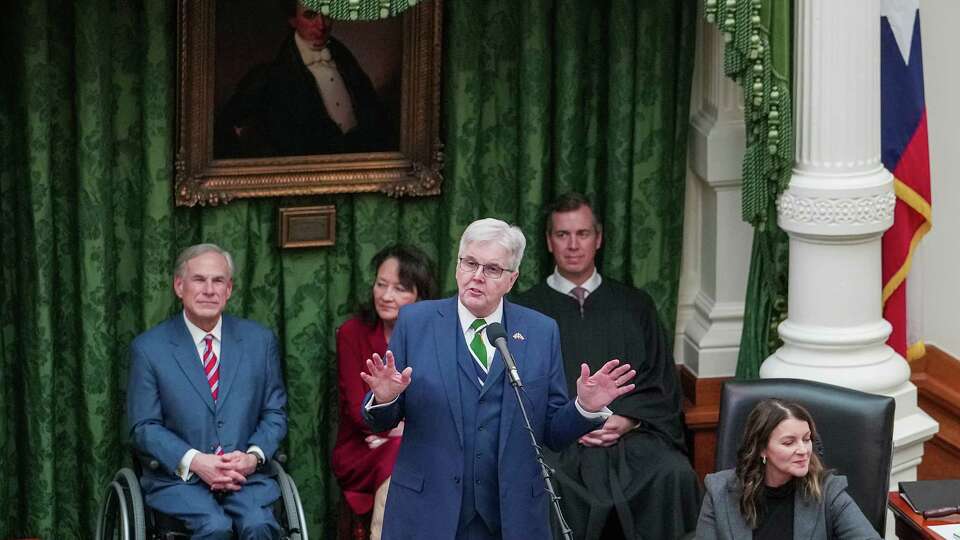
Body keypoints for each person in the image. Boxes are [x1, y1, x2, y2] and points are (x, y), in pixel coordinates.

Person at [360, 218, 638, 540]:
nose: (477, 277)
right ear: (457, 267)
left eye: (492, 269)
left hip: (512, 516)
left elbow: (551, 432)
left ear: (511, 279)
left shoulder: (539, 331)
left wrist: (584, 408)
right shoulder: (416, 322)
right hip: (428, 511)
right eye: (470, 263)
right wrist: (385, 398)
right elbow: (381, 422)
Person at [514, 193, 700, 540]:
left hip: (631, 439)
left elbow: (661, 384)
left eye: (582, 234)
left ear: (598, 239)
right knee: (536, 481)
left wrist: (627, 418)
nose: (573, 245)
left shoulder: (635, 306)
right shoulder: (525, 312)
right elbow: (520, 389)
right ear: (548, 242)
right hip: (561, 445)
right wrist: (573, 421)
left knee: (672, 473)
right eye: (562, 235)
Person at [127, 244, 288, 540]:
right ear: (179, 286)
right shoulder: (149, 349)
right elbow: (144, 427)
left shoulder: (259, 342)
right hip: (179, 480)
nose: (209, 290)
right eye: (199, 280)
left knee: (258, 525)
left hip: (245, 478)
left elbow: (274, 414)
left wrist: (252, 457)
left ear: (229, 289)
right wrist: (196, 461)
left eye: (218, 281)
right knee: (214, 527)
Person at [332, 244, 438, 540]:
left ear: (420, 295)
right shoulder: (353, 332)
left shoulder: (434, 336)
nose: (386, 296)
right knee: (398, 453)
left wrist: (403, 432)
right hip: (362, 449)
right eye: (381, 284)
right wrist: (399, 432)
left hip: (415, 443)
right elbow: (358, 409)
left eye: (400, 288)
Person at [215, 1, 392, 158]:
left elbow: (375, 117)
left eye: (327, 13)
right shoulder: (270, 74)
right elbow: (230, 128)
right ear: (293, 20)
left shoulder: (345, 59)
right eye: (310, 15)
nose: (321, 25)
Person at [695, 399, 880, 540]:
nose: (803, 450)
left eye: (806, 439)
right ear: (762, 449)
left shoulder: (828, 491)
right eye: (789, 442)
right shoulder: (718, 491)